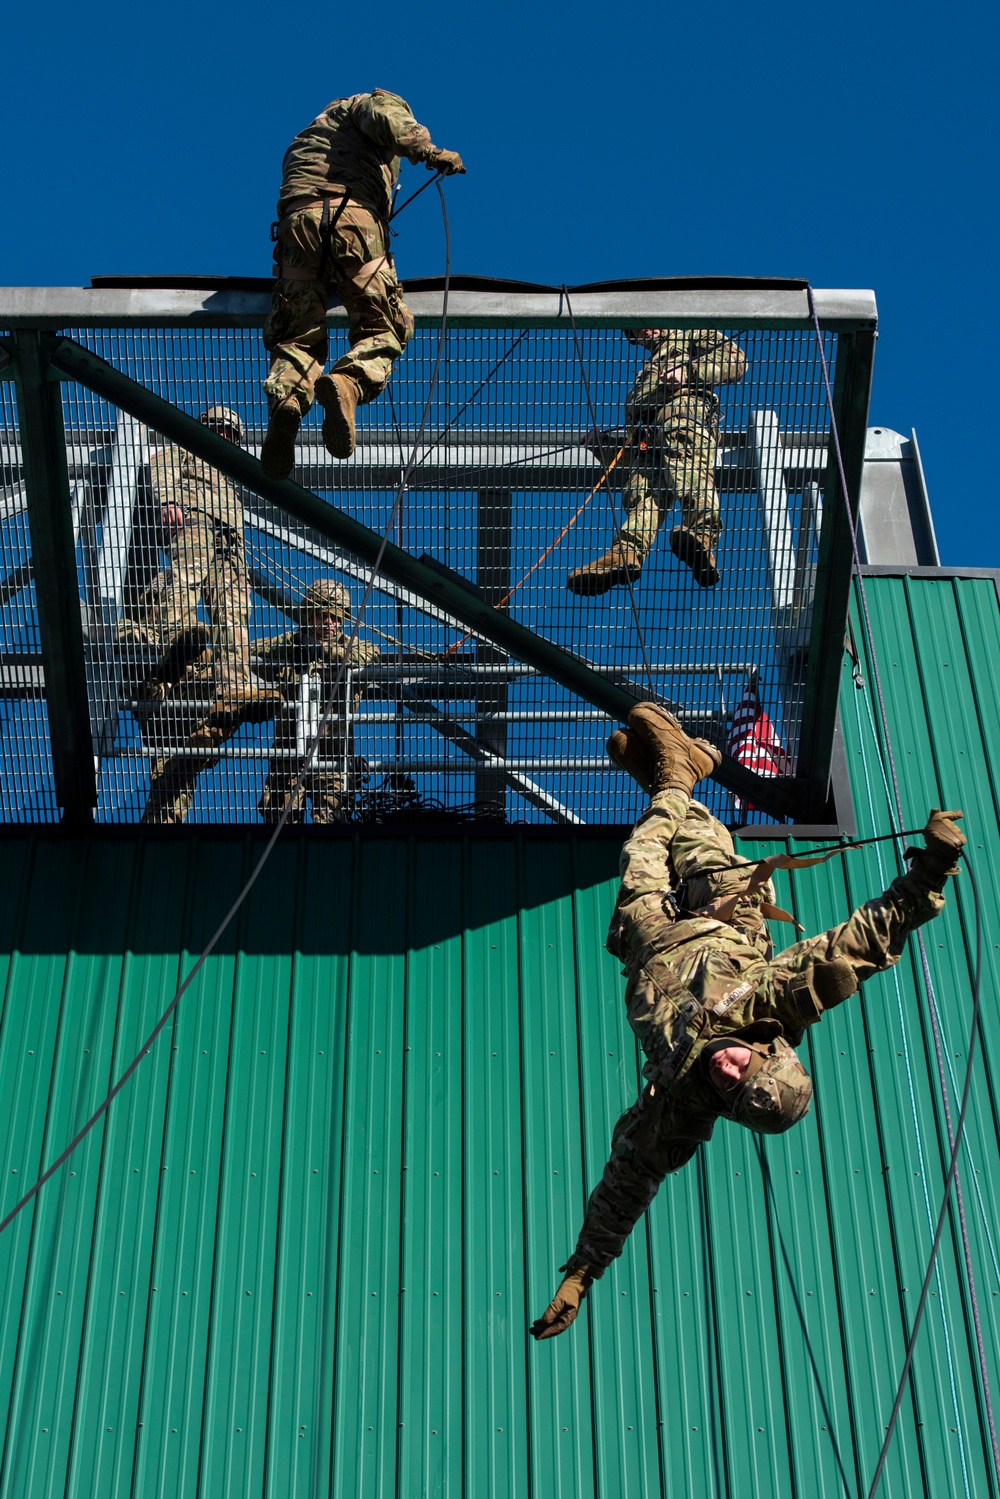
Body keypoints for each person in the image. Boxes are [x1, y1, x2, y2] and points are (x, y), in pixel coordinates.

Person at [530, 703, 964, 1339]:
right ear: (765, 1053)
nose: (727, 1067)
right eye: (746, 1066)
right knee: (707, 853)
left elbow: (631, 1180)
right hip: (727, 917)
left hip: (651, 936)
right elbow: (861, 945)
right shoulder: (777, 1005)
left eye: (731, 1087)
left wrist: (583, 1271)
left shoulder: (683, 1104)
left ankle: (674, 777)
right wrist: (930, 871)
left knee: (643, 851)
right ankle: (677, 775)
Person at [260, 89, 465, 479]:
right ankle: (349, 383)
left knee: (297, 334)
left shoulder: (309, 136)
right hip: (352, 220)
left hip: (296, 226)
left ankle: (286, 403)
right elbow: (385, 118)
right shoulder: (367, 103)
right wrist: (428, 150)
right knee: (384, 324)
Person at [566, 328, 747, 593]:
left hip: (683, 419)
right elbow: (626, 456)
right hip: (648, 444)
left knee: (686, 466)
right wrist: (600, 446)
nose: (642, 335)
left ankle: (702, 534)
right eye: (635, 335)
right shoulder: (646, 373)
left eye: (643, 326)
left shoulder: (691, 335)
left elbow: (736, 360)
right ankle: (624, 554)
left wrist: (688, 372)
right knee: (641, 494)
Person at [128, 406, 279, 717]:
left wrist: (243, 568)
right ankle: (175, 639)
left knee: (233, 612)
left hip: (228, 546)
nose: (224, 436)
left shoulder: (227, 479)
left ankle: (235, 688)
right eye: (219, 428)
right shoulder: (185, 450)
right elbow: (161, 470)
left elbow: (236, 527)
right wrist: (168, 501)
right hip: (194, 520)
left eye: (230, 433)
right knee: (186, 577)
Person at [254, 578, 380, 823]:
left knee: (330, 822)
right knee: (282, 818)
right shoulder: (294, 643)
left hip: (334, 757)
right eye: (321, 615)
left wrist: (324, 652)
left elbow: (370, 657)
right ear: (308, 616)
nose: (328, 623)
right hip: (289, 755)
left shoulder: (356, 647)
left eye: (334, 617)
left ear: (343, 619)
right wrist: (292, 645)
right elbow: (249, 652)